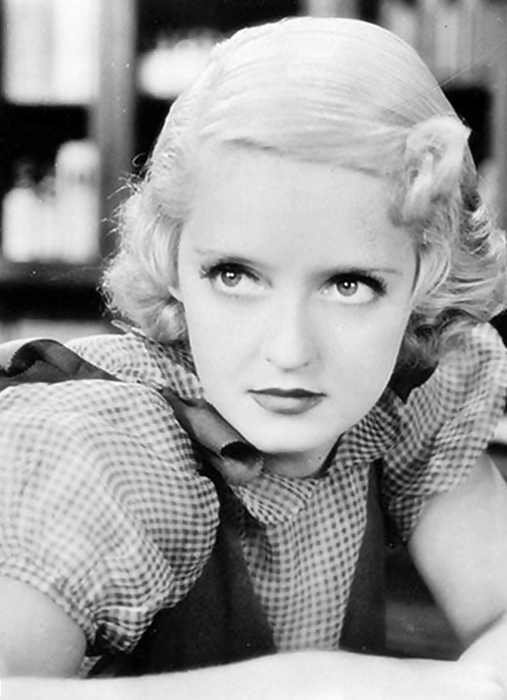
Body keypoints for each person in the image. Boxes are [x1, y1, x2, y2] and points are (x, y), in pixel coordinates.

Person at [2, 15, 507, 700]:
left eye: (350, 285)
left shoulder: (399, 400)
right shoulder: (103, 448)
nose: (289, 351)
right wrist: (315, 684)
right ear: (172, 261)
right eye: (235, 274)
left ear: (427, 280)